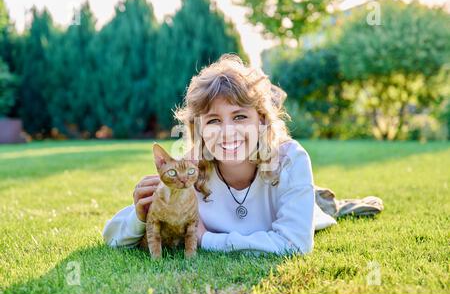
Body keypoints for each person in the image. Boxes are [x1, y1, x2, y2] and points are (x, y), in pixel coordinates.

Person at [102, 54, 382, 255]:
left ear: (261, 120)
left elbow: (295, 244)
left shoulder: (291, 159)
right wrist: (139, 217)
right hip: (269, 204)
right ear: (198, 129)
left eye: (239, 116)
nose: (227, 131)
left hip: (289, 195)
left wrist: (207, 239)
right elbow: (111, 236)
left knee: (317, 209)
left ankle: (330, 202)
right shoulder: (188, 171)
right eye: (213, 121)